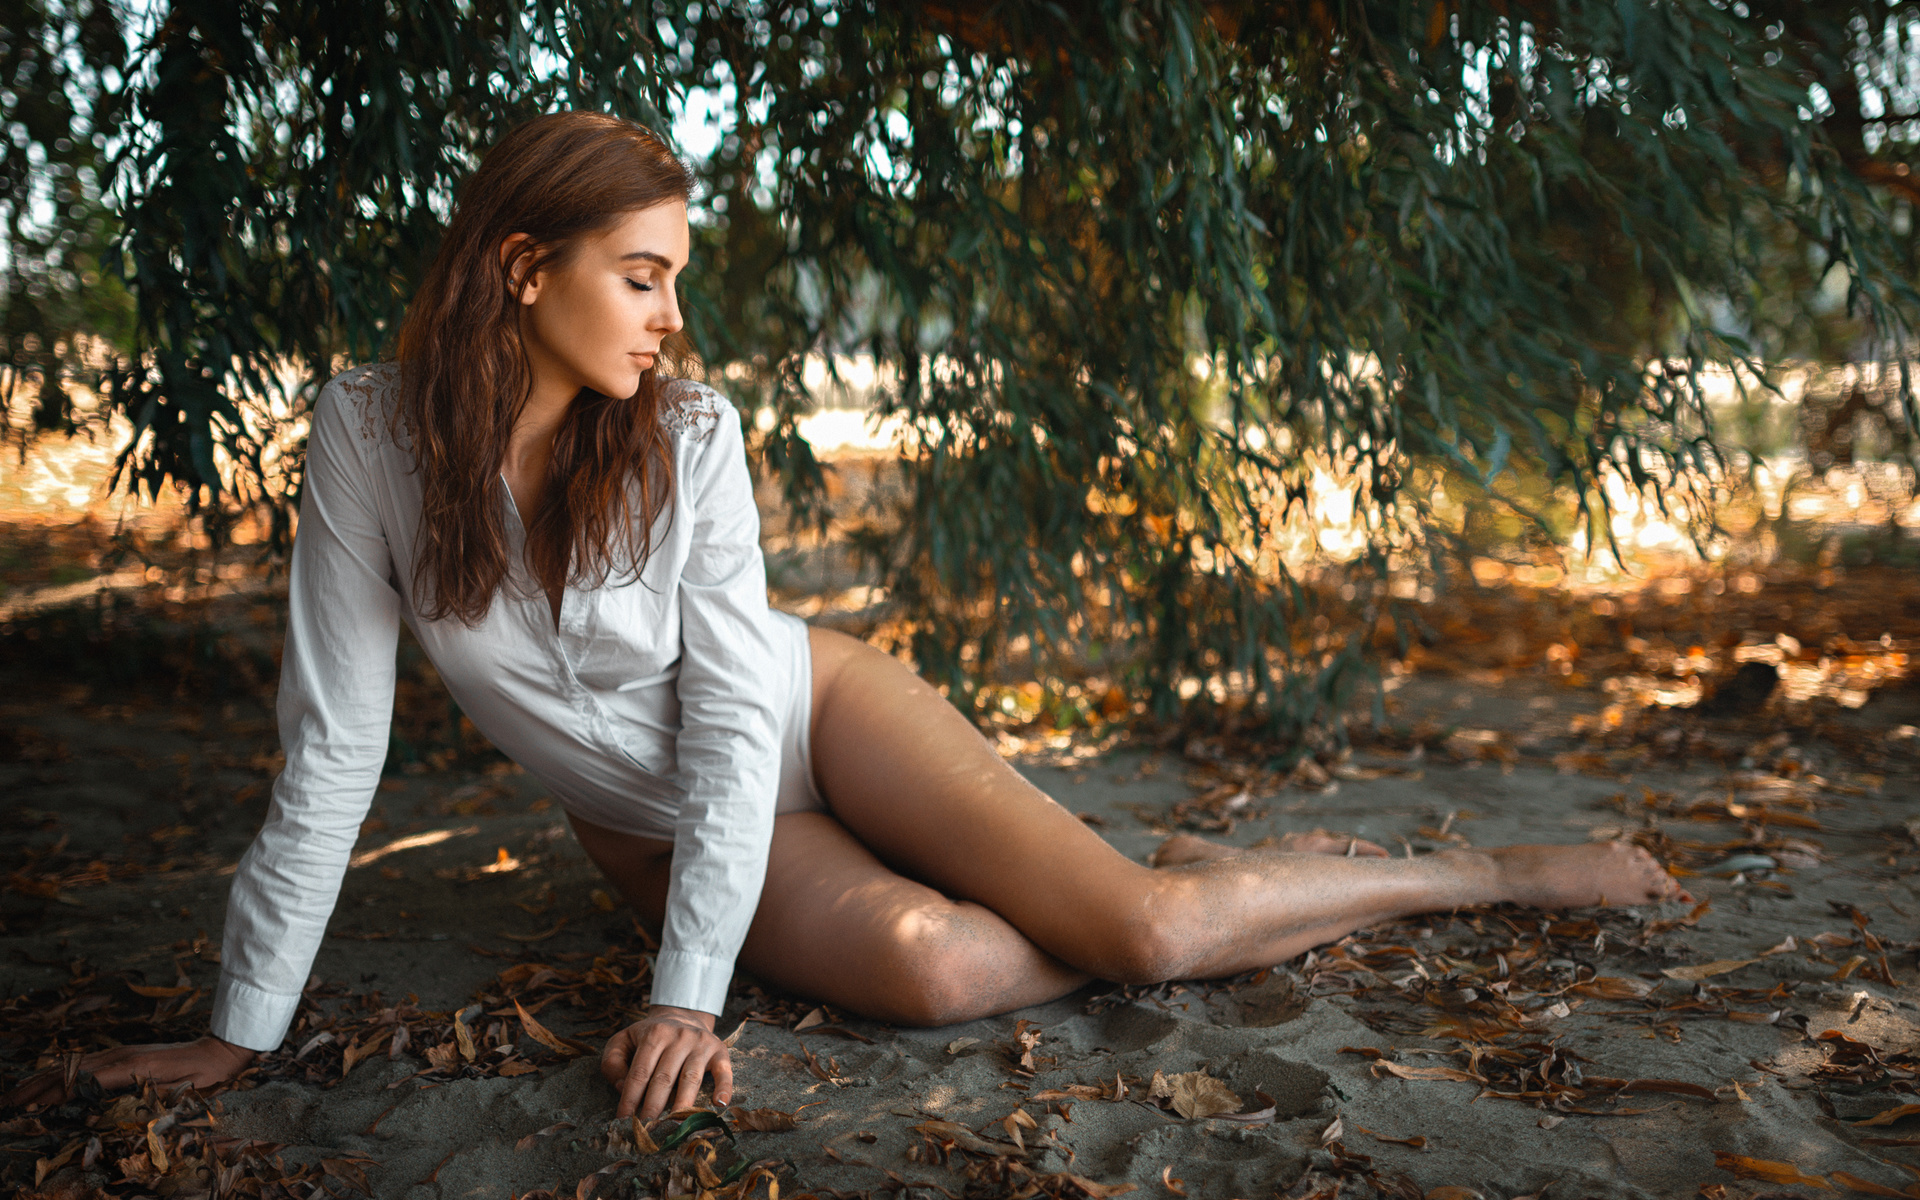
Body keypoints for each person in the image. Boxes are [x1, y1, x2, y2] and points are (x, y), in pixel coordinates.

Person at [1, 112, 1689, 1123]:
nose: (674, 311)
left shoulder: (692, 440)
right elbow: (332, 751)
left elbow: (743, 723)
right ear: (527, 268)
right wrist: (242, 1031)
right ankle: (1107, 900)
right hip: (644, 828)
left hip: (812, 715)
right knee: (938, 962)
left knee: (1154, 942)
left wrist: (683, 1002)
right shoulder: (365, 441)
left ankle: (1469, 874)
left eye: (678, 275)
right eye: (643, 272)